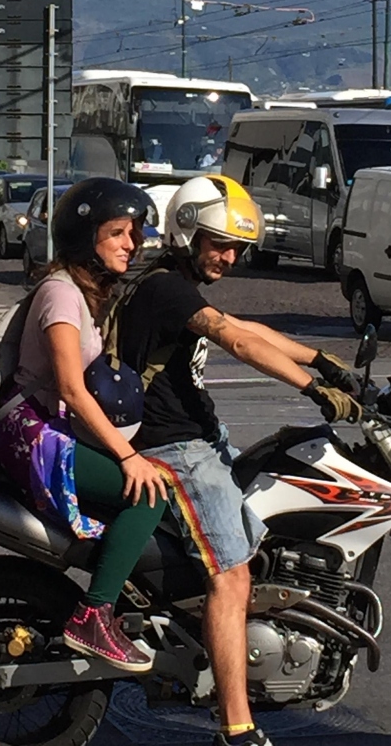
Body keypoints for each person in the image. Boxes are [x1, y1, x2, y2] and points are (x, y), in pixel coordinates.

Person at [115, 175, 361, 746]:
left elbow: (247, 326)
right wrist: (313, 388)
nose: (228, 257)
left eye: (237, 248)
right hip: (176, 448)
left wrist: (323, 360)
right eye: (219, 244)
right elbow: (237, 341)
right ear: (186, 231)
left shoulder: (177, 285)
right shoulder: (165, 288)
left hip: (203, 437)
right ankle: (236, 726)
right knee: (231, 574)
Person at [0, 178, 169, 673]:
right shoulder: (61, 295)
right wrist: (128, 457)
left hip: (49, 430)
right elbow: (71, 389)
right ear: (86, 237)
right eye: (118, 233)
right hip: (31, 435)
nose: (132, 244)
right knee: (150, 492)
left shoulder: (82, 295)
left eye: (134, 233)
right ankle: (94, 614)